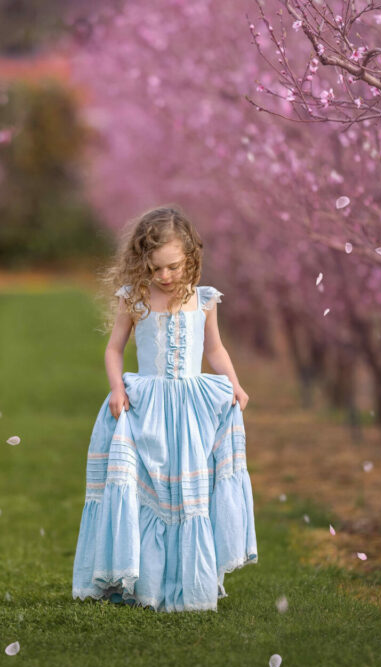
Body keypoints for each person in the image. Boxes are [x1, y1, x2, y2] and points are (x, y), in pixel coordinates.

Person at [71, 205, 257, 612]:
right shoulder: (135, 299)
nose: (165, 276)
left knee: (185, 492)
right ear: (144, 264)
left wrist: (235, 384)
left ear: (191, 257)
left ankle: (185, 584)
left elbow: (215, 349)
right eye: (156, 268)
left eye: (173, 267)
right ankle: (137, 580)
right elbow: (113, 349)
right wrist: (117, 389)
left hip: (189, 409)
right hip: (146, 405)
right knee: (145, 485)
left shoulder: (203, 300)